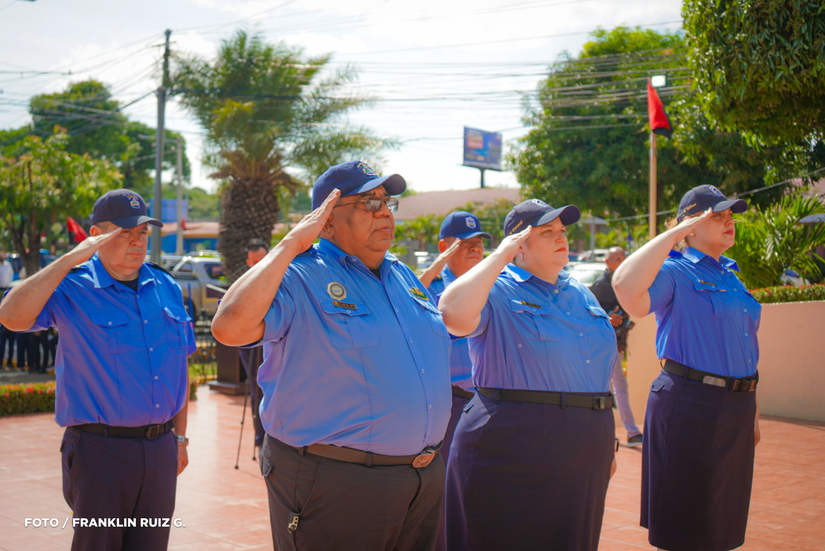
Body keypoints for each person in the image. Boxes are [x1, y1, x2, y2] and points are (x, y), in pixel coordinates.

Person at [211, 160, 452, 551]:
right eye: (368, 203)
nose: (384, 212)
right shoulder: (298, 274)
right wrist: (291, 243)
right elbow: (229, 327)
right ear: (326, 222)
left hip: (420, 480)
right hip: (338, 481)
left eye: (386, 202)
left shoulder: (402, 274)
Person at [0, 189, 196, 551]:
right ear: (96, 236)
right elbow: (11, 316)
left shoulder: (165, 285)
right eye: (123, 233)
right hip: (100, 452)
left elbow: (178, 369)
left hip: (159, 452)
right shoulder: (72, 286)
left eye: (142, 233)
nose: (136, 242)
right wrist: (68, 260)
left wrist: (180, 439)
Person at [439, 199, 618, 551]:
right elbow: (451, 314)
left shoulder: (579, 293)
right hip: (513, 444)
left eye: (562, 231)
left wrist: (604, 438)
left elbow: (596, 368)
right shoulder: (498, 288)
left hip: (584, 445)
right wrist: (501, 256)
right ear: (517, 244)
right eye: (546, 231)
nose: (560, 237)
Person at [612, 184, 760, 551]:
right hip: (692, 403)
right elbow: (626, 287)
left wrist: (751, 409)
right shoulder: (675, 272)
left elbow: (746, 346)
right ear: (690, 226)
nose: (729, 220)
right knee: (686, 521)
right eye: (717, 215)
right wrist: (675, 233)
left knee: (723, 519)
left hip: (737, 406)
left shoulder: (731, 275)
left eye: (730, 214)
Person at [418, 211, 490, 551]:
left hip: (488, 402)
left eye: (479, 244)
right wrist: (438, 264)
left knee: (483, 489)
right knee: (445, 491)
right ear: (445, 247)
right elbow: (409, 302)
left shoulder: (491, 285)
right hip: (449, 402)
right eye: (466, 244)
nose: (476, 250)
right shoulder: (430, 286)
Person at [589, 246, 642, 447]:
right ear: (608, 262)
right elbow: (587, 313)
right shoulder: (601, 285)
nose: (621, 261)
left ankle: (628, 432)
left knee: (616, 387)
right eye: (617, 258)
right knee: (608, 388)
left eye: (623, 258)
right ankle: (625, 432)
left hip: (616, 344)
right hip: (601, 345)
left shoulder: (623, 282)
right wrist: (607, 318)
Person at [239, 238, 269, 449]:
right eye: (253, 261)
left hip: (274, 340)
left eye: (262, 259)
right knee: (256, 386)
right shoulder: (243, 283)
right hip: (250, 342)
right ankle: (260, 439)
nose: (257, 264)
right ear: (248, 263)